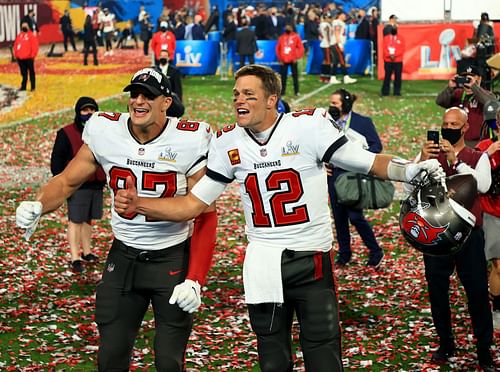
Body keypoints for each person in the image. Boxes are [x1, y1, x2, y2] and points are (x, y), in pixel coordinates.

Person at [112, 64, 445, 371]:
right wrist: (139, 204)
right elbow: (192, 205)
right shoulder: (228, 141)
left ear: (272, 99)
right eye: (236, 95)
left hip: (311, 257)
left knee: (324, 354)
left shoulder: (308, 126)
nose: (239, 101)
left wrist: (411, 170)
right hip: (263, 261)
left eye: (248, 95)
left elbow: (366, 161)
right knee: (272, 359)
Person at [16, 67, 217, 371]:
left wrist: (195, 278)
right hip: (123, 258)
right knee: (110, 354)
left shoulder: (190, 138)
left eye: (148, 95)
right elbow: (67, 181)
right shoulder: (105, 130)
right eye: (134, 93)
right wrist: (38, 203)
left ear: (166, 102)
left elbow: (203, 211)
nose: (138, 101)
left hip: (172, 258)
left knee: (169, 359)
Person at [414, 107, 494, 371]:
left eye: (453, 124)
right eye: (444, 123)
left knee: (477, 292)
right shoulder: (430, 155)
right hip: (436, 233)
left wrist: (456, 159)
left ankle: (484, 348)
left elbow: (481, 185)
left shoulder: (476, 156)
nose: (448, 127)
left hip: (469, 234)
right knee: (437, 290)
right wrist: (421, 162)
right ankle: (446, 342)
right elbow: (407, 186)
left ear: (464, 128)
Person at [326, 89, 384, 267]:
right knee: (339, 217)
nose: (332, 106)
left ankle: (376, 251)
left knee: (355, 215)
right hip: (334, 175)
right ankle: (345, 254)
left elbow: (377, 146)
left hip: (353, 175)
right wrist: (323, 163)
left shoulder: (362, 122)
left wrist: (359, 157)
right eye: (331, 103)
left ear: (346, 104)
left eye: (335, 103)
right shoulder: (326, 122)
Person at [50, 97, 105, 273]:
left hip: (96, 183)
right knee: (75, 220)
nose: (88, 113)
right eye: (84, 110)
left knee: (88, 219)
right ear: (78, 112)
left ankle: (87, 251)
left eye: (92, 110)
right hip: (77, 185)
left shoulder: (101, 132)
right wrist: (62, 181)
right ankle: (75, 257)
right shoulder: (66, 133)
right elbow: (57, 160)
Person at [475, 100, 500, 330]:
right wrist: (488, 155)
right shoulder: (485, 147)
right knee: (499, 266)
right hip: (494, 213)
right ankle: (498, 309)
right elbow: (473, 178)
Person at [435, 64, 496, 147]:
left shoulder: (487, 94)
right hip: (459, 142)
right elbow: (440, 101)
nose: (467, 79)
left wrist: (474, 87)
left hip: (479, 143)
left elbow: (491, 103)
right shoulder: (457, 94)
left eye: (471, 76)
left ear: (479, 78)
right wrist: (450, 87)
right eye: (464, 77)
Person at [276, 24, 304, 96]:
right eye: (286, 26)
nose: (287, 28)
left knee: (295, 76)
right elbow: (277, 49)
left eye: (289, 27)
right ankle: (282, 92)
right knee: (283, 77)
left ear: (292, 28)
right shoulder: (281, 37)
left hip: (293, 60)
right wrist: (280, 59)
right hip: (283, 60)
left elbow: (300, 48)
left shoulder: (296, 37)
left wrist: (297, 57)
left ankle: (296, 91)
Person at [331, 12, 357, 85]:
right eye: (343, 15)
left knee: (336, 61)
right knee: (342, 60)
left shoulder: (341, 23)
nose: (345, 16)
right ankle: (346, 77)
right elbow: (337, 32)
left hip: (337, 43)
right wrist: (339, 44)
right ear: (339, 15)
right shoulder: (337, 22)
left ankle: (333, 77)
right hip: (336, 43)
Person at [13, 22, 38, 92]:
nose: (24, 27)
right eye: (23, 26)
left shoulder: (31, 35)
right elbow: (16, 45)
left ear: (28, 27)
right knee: (23, 73)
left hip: (29, 58)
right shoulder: (19, 35)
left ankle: (33, 87)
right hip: (20, 58)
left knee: (31, 72)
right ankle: (23, 86)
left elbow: (35, 46)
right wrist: (16, 55)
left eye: (25, 26)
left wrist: (32, 55)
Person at [381, 25, 405, 96]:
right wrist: (389, 55)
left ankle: (397, 92)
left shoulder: (401, 38)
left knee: (398, 77)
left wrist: (395, 55)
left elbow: (402, 49)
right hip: (388, 60)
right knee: (387, 76)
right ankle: (385, 92)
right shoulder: (386, 38)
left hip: (398, 61)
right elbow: (384, 48)